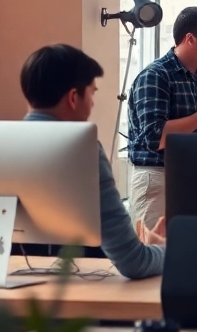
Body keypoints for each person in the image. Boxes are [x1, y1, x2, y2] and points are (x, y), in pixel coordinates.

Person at [20, 44, 165, 280]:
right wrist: (163, 250)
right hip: (80, 299)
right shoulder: (82, 151)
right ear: (74, 97)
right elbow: (134, 263)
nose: (93, 103)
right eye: (93, 93)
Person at [126, 7, 197, 229]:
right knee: (154, 255)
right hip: (158, 178)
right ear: (190, 39)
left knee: (195, 254)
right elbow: (155, 138)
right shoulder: (155, 76)